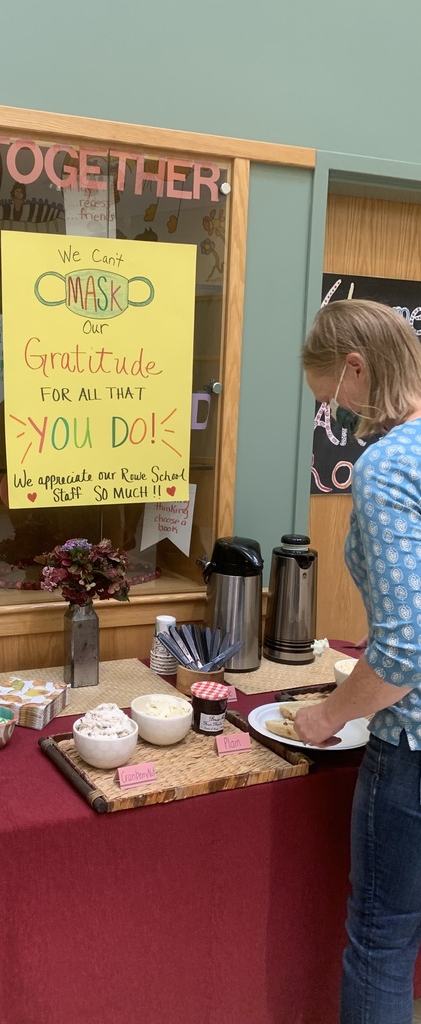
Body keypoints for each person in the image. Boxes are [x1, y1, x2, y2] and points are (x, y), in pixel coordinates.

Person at [297, 299, 421, 1024]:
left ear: (355, 369)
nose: (340, 419)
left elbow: (404, 650)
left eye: (334, 403)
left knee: (381, 941)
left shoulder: (388, 465)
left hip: (412, 747)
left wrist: (327, 715)